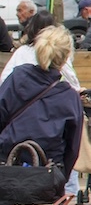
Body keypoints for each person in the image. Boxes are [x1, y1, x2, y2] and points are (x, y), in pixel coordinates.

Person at [0, 25, 83, 179]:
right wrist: (61, 178)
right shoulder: (69, 97)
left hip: (8, 166)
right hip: (47, 175)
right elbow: (72, 149)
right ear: (66, 58)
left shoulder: (17, 78)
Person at [1, 10, 80, 89]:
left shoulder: (22, 51)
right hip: (52, 97)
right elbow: (72, 81)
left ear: (32, 28)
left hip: (23, 96)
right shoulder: (59, 52)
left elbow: (4, 79)